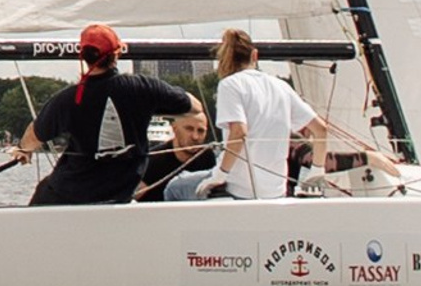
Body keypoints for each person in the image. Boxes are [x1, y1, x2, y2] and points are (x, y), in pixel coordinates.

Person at [18, 25, 197, 205]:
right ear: (117, 53)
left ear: (83, 56)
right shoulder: (143, 88)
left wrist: (23, 150)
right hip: (118, 195)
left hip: (69, 196)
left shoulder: (68, 99)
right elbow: (194, 107)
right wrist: (151, 106)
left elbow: (33, 136)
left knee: (44, 189)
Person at [163, 29, 328, 201]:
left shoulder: (230, 85)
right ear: (254, 55)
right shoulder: (282, 87)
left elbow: (239, 132)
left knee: (175, 187)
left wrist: (220, 175)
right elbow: (321, 129)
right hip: (276, 191)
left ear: (224, 59)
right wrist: (317, 172)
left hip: (239, 189)